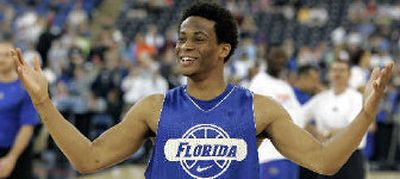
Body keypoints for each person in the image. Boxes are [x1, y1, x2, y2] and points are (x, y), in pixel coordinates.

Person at [11, 2, 392, 179]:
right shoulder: (153, 108)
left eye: (197, 38)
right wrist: (43, 101)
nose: (184, 46)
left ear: (224, 49)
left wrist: (366, 112)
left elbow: (324, 162)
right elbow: (88, 160)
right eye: (180, 38)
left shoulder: (259, 109)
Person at [302, 60, 367, 178]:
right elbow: (298, 117)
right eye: (334, 70)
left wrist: (326, 134)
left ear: (349, 75)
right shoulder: (320, 98)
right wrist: (314, 133)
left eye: (342, 70)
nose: (337, 74)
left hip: (350, 158)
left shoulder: (357, 98)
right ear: (329, 74)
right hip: (326, 156)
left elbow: (353, 129)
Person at [249, 46, 305, 179]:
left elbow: (299, 116)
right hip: (270, 155)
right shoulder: (259, 83)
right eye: (276, 56)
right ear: (267, 58)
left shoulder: (285, 86)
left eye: (283, 57)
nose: (280, 61)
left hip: (291, 155)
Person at [0, 41, 39, 178]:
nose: (1, 59)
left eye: (6, 55)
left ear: (15, 58)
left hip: (16, 152)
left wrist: (11, 157)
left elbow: (27, 126)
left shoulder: (24, 88)